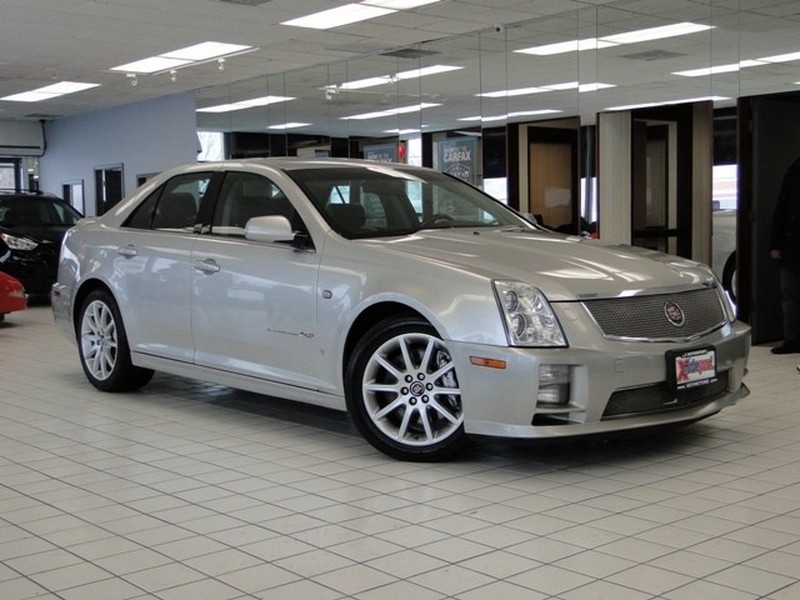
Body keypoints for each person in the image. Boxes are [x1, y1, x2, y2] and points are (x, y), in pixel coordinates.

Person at [770, 156, 800, 354]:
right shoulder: (794, 171)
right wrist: (775, 244)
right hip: (792, 247)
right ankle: (792, 340)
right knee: (790, 297)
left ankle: (793, 340)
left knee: (790, 297)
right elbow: (781, 210)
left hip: (792, 246)